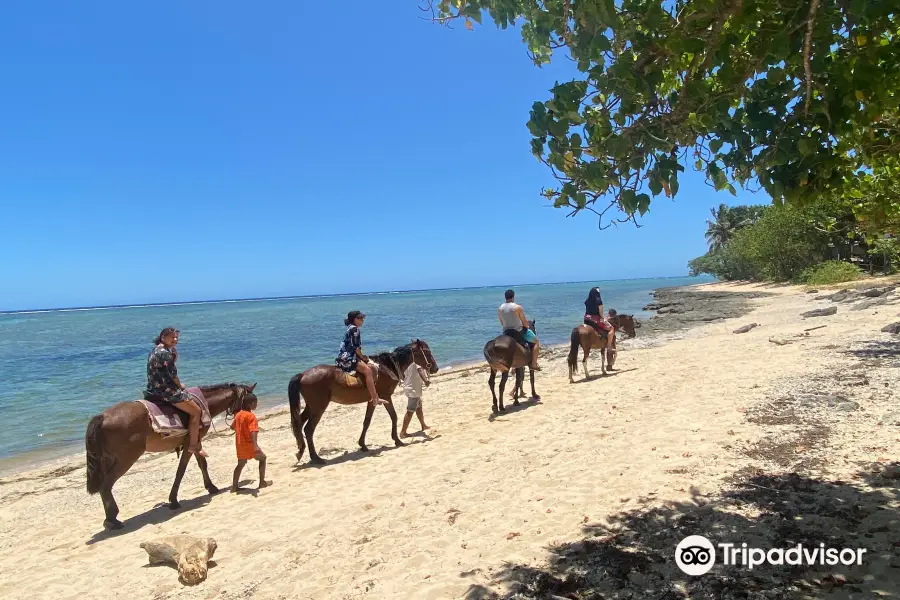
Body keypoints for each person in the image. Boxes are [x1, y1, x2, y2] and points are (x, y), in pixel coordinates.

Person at [144, 327, 207, 457]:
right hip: (166, 391)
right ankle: (193, 446)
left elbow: (162, 369)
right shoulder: (166, 353)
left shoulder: (154, 351)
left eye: (177, 337)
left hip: (153, 389)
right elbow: (173, 375)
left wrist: (174, 359)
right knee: (196, 411)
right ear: (163, 337)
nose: (175, 339)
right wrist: (180, 385)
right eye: (172, 337)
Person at [336, 310, 385, 405]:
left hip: (342, 356)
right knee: (368, 371)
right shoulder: (355, 330)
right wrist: (363, 357)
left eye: (363, 318)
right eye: (360, 318)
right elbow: (356, 349)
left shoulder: (350, 328)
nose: (363, 320)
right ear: (354, 319)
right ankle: (375, 398)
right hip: (349, 357)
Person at [230, 395, 270, 492]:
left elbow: (232, 427)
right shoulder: (251, 416)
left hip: (240, 444)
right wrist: (255, 445)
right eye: (255, 403)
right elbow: (253, 431)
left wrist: (241, 429)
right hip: (249, 444)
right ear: (251, 404)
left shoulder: (238, 414)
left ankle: (234, 487)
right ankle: (262, 483)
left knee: (240, 464)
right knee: (263, 459)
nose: (256, 405)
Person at [498, 289, 541, 370]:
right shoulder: (517, 307)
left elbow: (502, 323)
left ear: (505, 297)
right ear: (513, 297)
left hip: (506, 332)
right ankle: (534, 363)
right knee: (536, 342)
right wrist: (526, 327)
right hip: (518, 331)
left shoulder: (500, 308)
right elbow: (524, 322)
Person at [400, 358, 431, 438]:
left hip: (410, 388)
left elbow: (403, 375)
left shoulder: (408, 363)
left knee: (419, 407)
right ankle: (403, 432)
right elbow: (420, 371)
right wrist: (426, 381)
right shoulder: (417, 363)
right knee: (410, 411)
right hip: (413, 390)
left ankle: (423, 425)